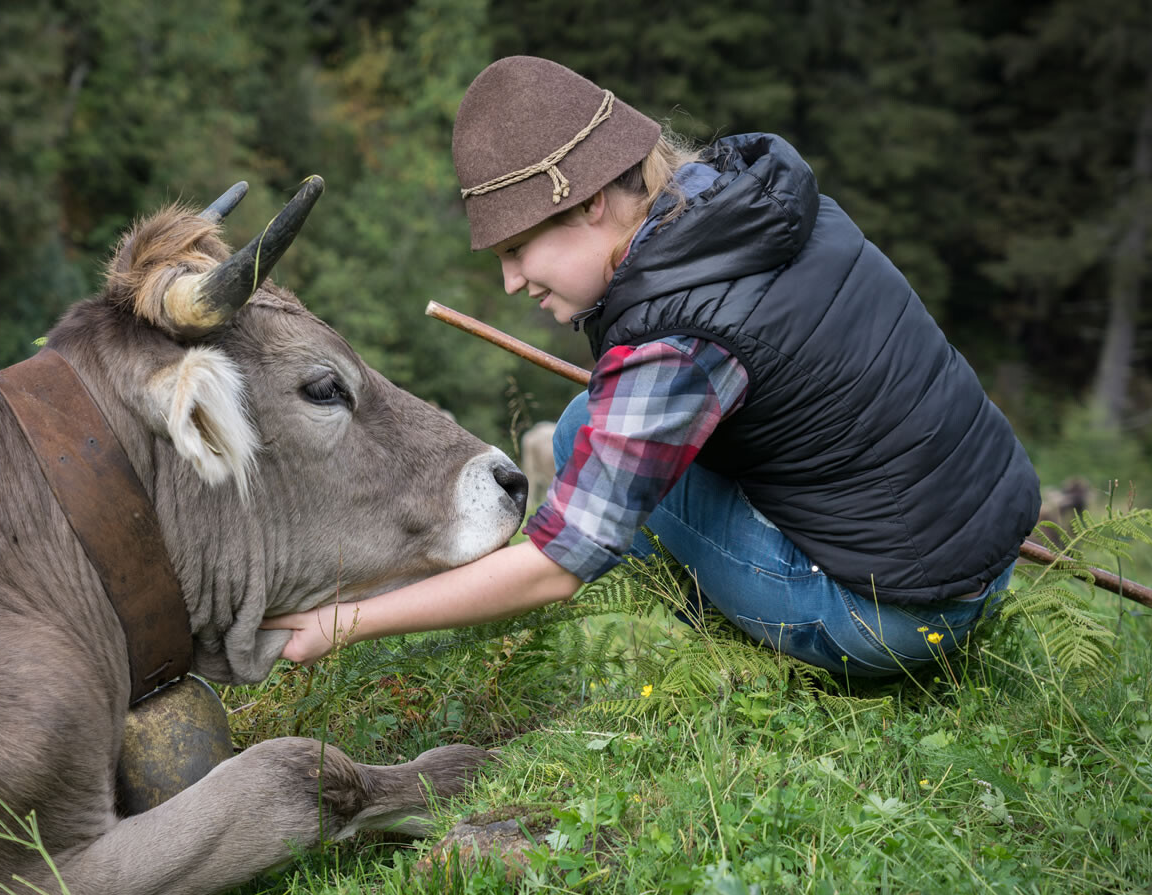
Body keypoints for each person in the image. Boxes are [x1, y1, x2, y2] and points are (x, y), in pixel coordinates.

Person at [262, 55, 1040, 678]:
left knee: (578, 449)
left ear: (592, 202)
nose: (511, 281)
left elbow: (556, 564)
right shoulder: (744, 201)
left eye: (517, 248)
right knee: (586, 430)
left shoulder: (676, 338)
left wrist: (344, 621)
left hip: (890, 618)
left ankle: (741, 648)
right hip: (973, 564)